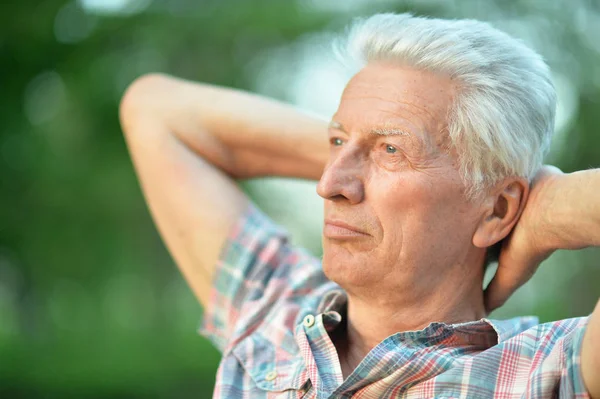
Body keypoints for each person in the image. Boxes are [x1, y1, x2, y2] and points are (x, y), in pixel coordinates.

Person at [119, 13, 599, 398]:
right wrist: (367, 139)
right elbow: (155, 110)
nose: (328, 184)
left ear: (497, 209)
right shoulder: (271, 308)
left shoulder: (551, 369)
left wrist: (548, 211)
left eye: (392, 151)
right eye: (334, 142)